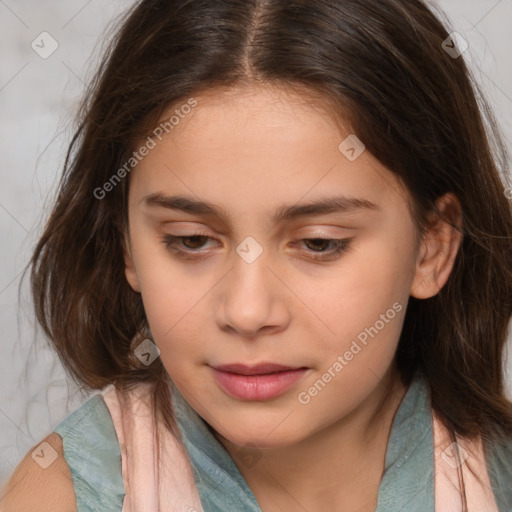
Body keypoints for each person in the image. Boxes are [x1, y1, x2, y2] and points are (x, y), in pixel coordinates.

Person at [2, 0, 512, 510]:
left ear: (432, 247)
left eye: (319, 243)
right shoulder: (57, 496)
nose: (247, 312)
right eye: (191, 240)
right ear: (126, 244)